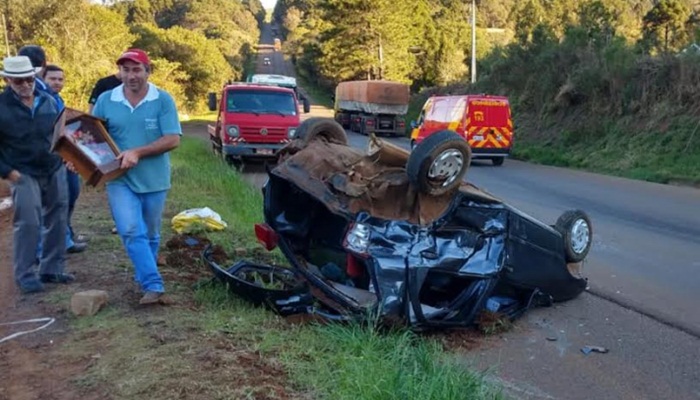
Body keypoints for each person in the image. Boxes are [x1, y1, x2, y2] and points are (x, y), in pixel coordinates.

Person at [91, 48, 181, 305]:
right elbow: (91, 137)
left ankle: (144, 274)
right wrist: (80, 160)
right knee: (131, 230)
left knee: (151, 233)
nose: (131, 75)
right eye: (126, 70)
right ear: (119, 73)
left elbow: (173, 139)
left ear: (147, 72)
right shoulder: (106, 100)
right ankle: (153, 284)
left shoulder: (163, 100)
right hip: (119, 178)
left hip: (154, 179)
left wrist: (138, 152)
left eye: (136, 69)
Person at [0, 55, 74, 294]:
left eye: (29, 79)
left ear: (35, 77)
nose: (25, 84)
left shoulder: (48, 101)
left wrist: (66, 153)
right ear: (8, 80)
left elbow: (61, 128)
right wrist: (8, 172)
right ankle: (25, 274)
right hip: (22, 172)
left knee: (59, 216)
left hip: (53, 166)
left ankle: (52, 268)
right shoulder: (1, 106)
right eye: (18, 81)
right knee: (29, 222)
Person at [18, 46, 87, 254]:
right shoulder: (31, 91)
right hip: (44, 156)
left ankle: (62, 239)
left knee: (65, 196)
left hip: (59, 154)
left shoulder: (49, 93)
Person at [87, 69, 122, 234]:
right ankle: (120, 221)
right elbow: (92, 109)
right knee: (114, 180)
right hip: (107, 140)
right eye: (126, 67)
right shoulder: (104, 84)